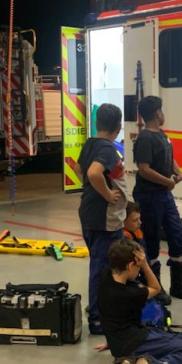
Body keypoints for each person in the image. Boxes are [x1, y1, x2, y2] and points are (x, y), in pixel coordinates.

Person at [96, 239, 182, 364]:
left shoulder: (106, 275)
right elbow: (156, 288)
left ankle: (126, 363)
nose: (139, 270)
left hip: (117, 342)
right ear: (130, 266)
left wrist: (111, 341)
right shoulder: (130, 295)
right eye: (137, 267)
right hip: (135, 340)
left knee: (170, 337)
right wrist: (145, 265)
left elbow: (110, 316)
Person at [132, 96, 182, 302]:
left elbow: (169, 159)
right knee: (151, 241)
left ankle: (179, 284)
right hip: (149, 196)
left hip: (164, 195)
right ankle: (155, 285)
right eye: (161, 110)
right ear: (157, 113)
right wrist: (167, 182)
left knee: (178, 237)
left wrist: (178, 172)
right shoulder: (144, 139)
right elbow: (143, 169)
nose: (163, 114)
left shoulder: (162, 135)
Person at [78, 103, 127, 335]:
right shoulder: (107, 148)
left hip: (89, 212)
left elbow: (81, 170)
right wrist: (108, 194)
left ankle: (98, 307)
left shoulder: (90, 144)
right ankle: (97, 319)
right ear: (118, 127)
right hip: (103, 217)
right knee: (101, 267)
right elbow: (93, 173)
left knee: (100, 265)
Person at [123, 201, 172, 306]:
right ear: (123, 221)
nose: (140, 223)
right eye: (135, 220)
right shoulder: (123, 240)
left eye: (139, 219)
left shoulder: (137, 232)